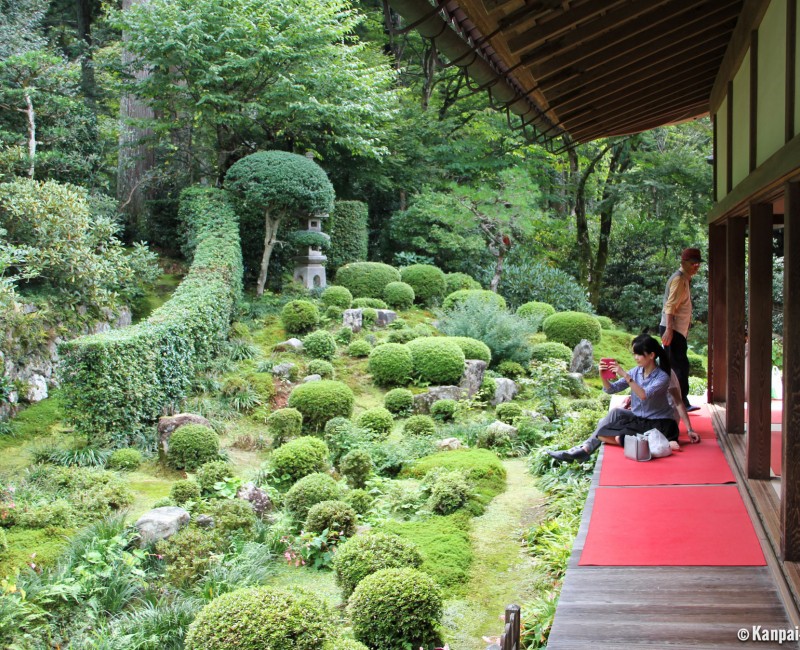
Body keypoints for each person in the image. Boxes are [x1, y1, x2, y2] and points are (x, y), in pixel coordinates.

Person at [547, 335, 698, 463]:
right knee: (609, 422)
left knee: (609, 434)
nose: (635, 358)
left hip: (659, 422)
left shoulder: (662, 377)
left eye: (639, 354)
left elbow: (644, 395)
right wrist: (603, 375)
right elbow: (611, 390)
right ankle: (585, 448)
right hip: (639, 419)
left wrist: (625, 375)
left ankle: (628, 440)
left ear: (651, 355)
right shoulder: (636, 372)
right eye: (634, 354)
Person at [659, 247, 703, 412]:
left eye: (698, 263)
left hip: (677, 330)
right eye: (693, 263)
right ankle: (679, 402)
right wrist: (669, 329)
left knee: (679, 365)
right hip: (672, 329)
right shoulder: (678, 279)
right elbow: (670, 306)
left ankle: (680, 401)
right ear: (683, 262)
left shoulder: (685, 279)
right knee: (677, 367)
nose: (696, 266)